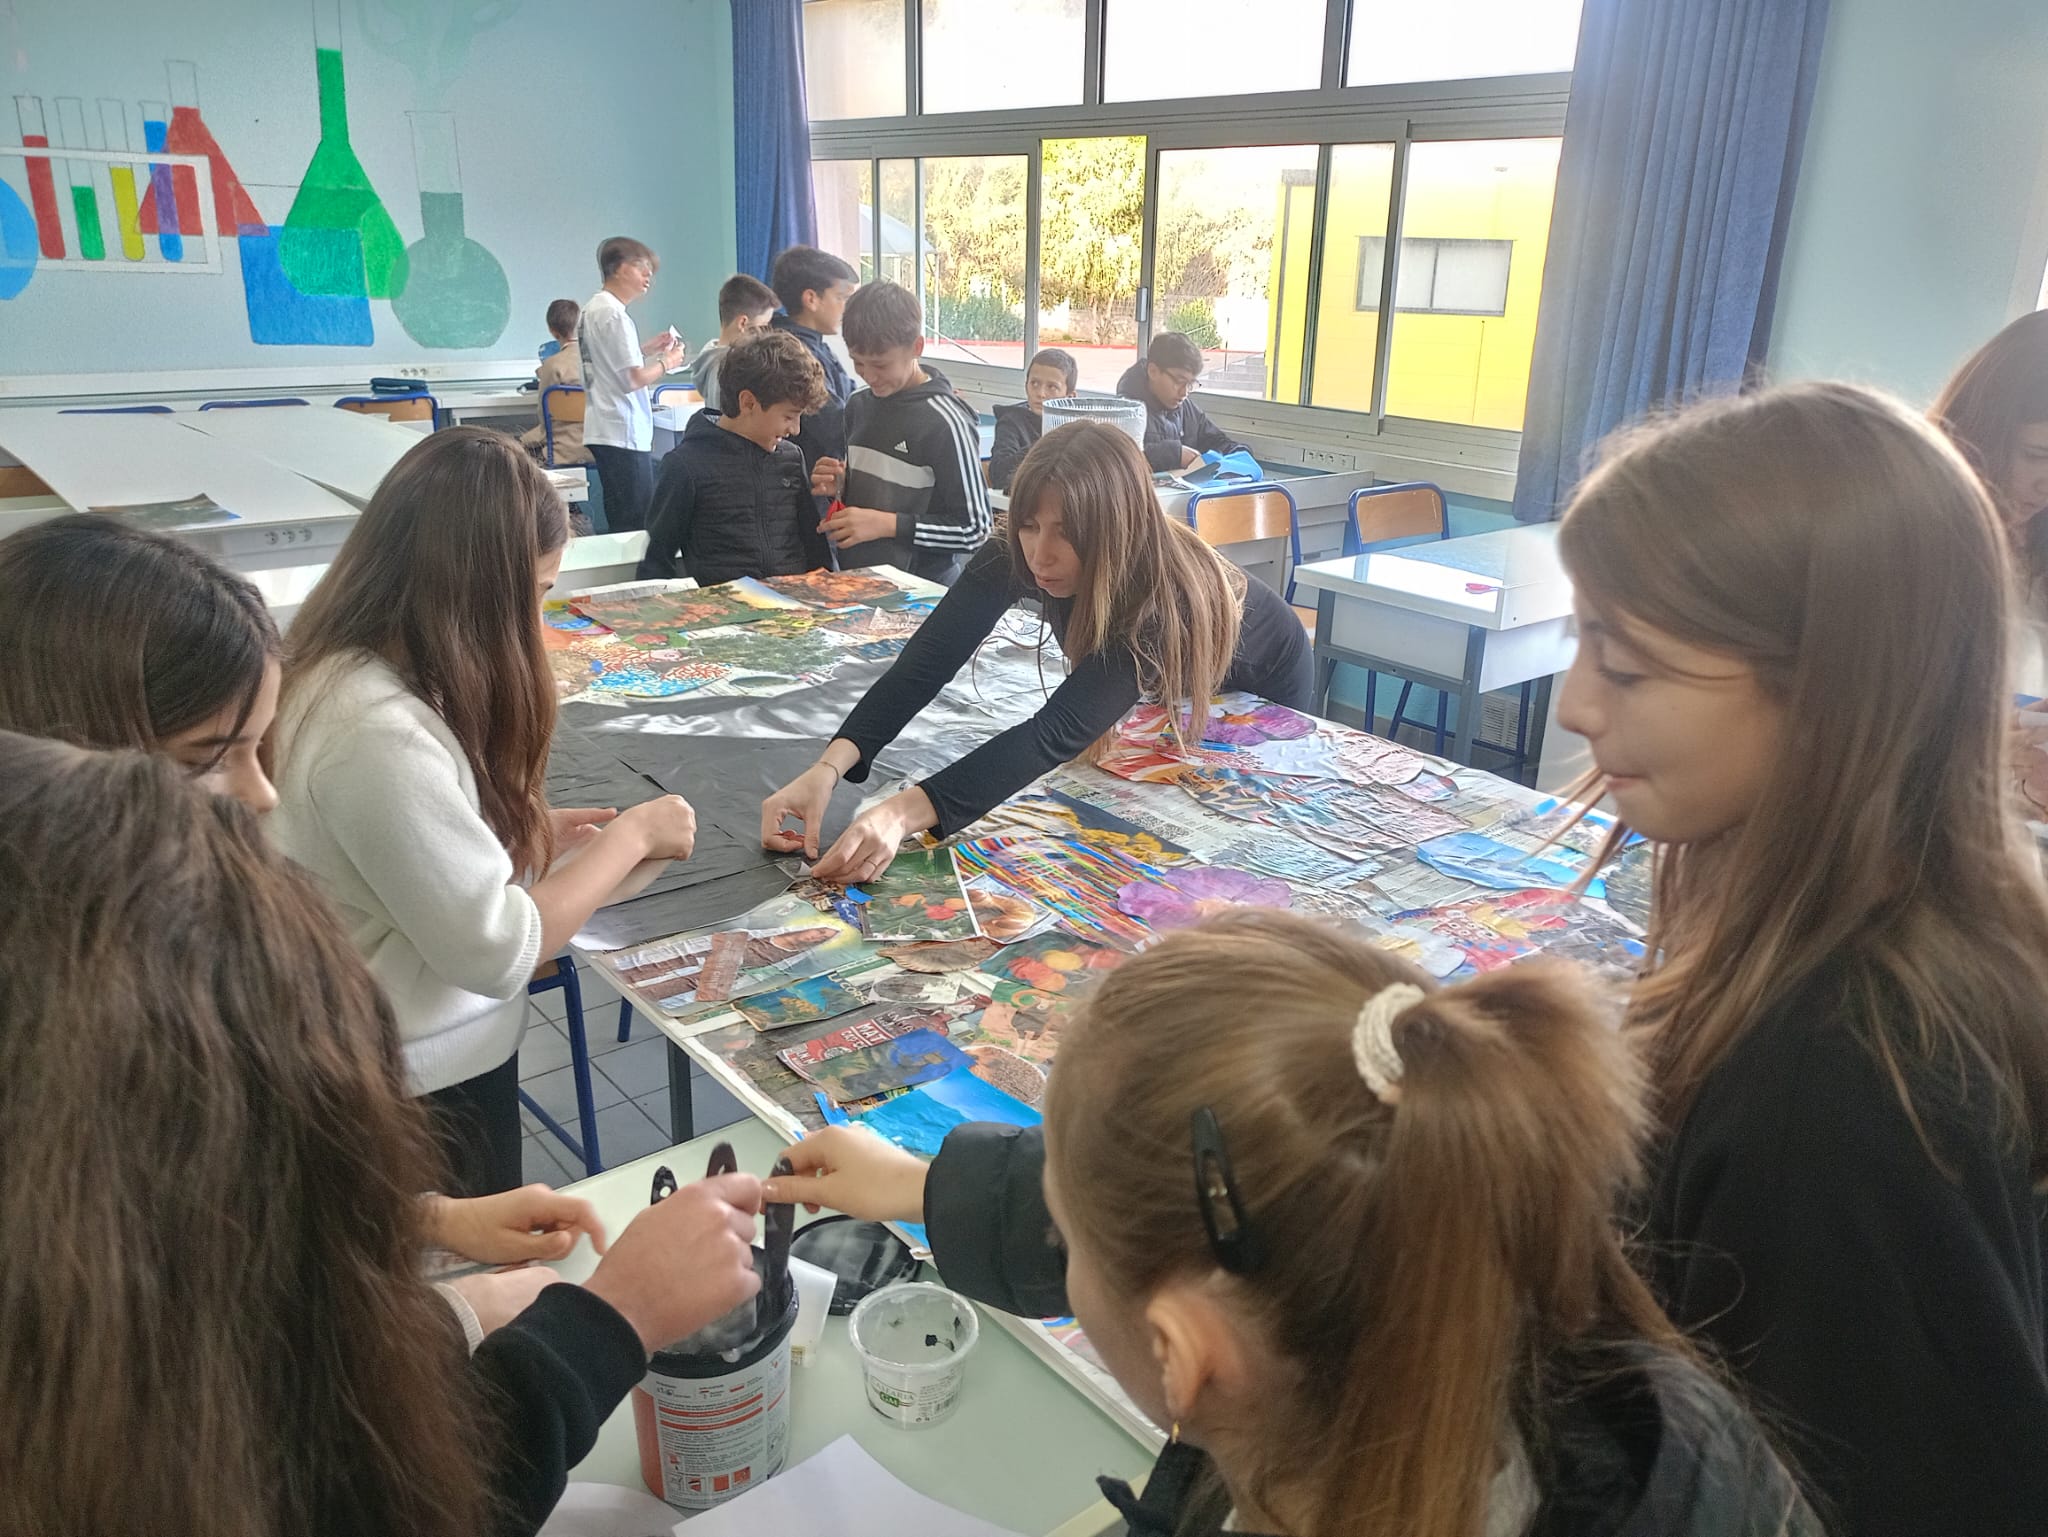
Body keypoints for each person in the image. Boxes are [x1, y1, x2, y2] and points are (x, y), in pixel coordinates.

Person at [764, 911, 1816, 1537]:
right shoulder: (1526, 1325)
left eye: (1066, 1236)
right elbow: (1225, 1199)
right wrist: (923, 1187)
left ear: (1184, 1358)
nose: (1061, 1242)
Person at [0, 730, 766, 1537]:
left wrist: (434, 1261)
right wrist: (613, 1319)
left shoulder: (94, 1316)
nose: (264, 795)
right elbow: (404, 1502)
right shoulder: (138, 1458)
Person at [1555, 381, 2048, 1535]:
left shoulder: (1829, 1090)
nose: (1574, 705)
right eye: (1582, 642)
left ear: (1824, 697)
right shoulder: (1905, 931)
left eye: (1624, 666)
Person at [0, 511, 614, 1273]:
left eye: (256, 748)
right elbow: (189, 1294)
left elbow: (243, 1189)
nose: (262, 795)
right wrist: (463, 1313)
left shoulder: (178, 929)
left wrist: (431, 1218)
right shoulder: (66, 1040)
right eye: (206, 760)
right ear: (62, 753)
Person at [270, 429, 700, 1197]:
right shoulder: (375, 731)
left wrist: (492, 835)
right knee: (470, 1252)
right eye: (537, 593)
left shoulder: (347, 670)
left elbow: (394, 857)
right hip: (416, 1083)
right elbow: (498, 949)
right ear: (476, 589)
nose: (539, 620)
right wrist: (632, 836)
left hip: (389, 1051)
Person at [761, 422, 1312, 881]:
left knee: (1236, 833)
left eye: (1066, 533)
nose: (1040, 555)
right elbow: (928, 660)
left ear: (1114, 531)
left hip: (1260, 679)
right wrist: (830, 766)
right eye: (1029, 525)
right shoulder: (1015, 550)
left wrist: (899, 815)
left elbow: (1054, 731)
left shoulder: (1158, 602)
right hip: (1170, 679)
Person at [1931, 310, 2048, 809]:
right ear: (1979, 430)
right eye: (2036, 455)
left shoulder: (2037, 545)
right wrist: (1976, 751)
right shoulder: (1905, 538)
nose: (2045, 486)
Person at [805, 280, 991, 586]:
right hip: (860, 583)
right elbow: (881, 496)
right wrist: (843, 486)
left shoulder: (945, 421)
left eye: (880, 365)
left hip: (921, 592)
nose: (869, 375)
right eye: (858, 363)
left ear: (916, 348)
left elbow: (976, 530)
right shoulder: (857, 405)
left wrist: (888, 525)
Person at [637, 330, 830, 584]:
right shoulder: (685, 466)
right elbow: (656, 561)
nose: (795, 430)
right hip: (724, 604)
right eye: (788, 416)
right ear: (748, 403)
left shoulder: (791, 459)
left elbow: (816, 549)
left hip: (795, 602)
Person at [579, 236, 686, 533]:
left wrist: (646, 350)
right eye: (641, 266)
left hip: (604, 425)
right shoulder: (614, 314)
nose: (648, 275)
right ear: (618, 268)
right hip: (622, 429)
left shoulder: (593, 308)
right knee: (635, 524)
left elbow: (608, 363)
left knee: (622, 518)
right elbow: (631, 379)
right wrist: (667, 362)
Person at [768, 244, 858, 475]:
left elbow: (853, 398)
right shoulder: (792, 354)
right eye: (841, 298)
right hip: (805, 479)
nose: (846, 309)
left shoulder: (818, 346)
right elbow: (835, 426)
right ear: (811, 299)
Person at [1117, 331, 1248, 474]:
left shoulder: (1185, 408)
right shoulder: (1126, 412)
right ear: (1153, 371)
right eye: (1179, 381)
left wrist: (1239, 453)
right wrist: (1174, 455)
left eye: (1190, 384)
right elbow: (1122, 461)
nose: (1184, 392)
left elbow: (1215, 440)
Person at [989, 346, 1078, 491]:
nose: (1041, 393)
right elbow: (999, 475)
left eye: (1052, 387)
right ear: (1026, 386)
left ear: (1070, 397)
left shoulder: (1077, 429)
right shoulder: (1011, 423)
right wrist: (1047, 443)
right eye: (1034, 383)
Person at [690, 272, 778, 415]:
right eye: (763, 326)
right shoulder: (729, 369)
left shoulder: (710, 358)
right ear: (742, 323)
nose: (764, 334)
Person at [521, 298, 591, 466]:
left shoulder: (552, 366)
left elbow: (544, 419)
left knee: (518, 445)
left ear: (552, 331)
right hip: (600, 449)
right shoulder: (599, 360)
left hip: (561, 452)